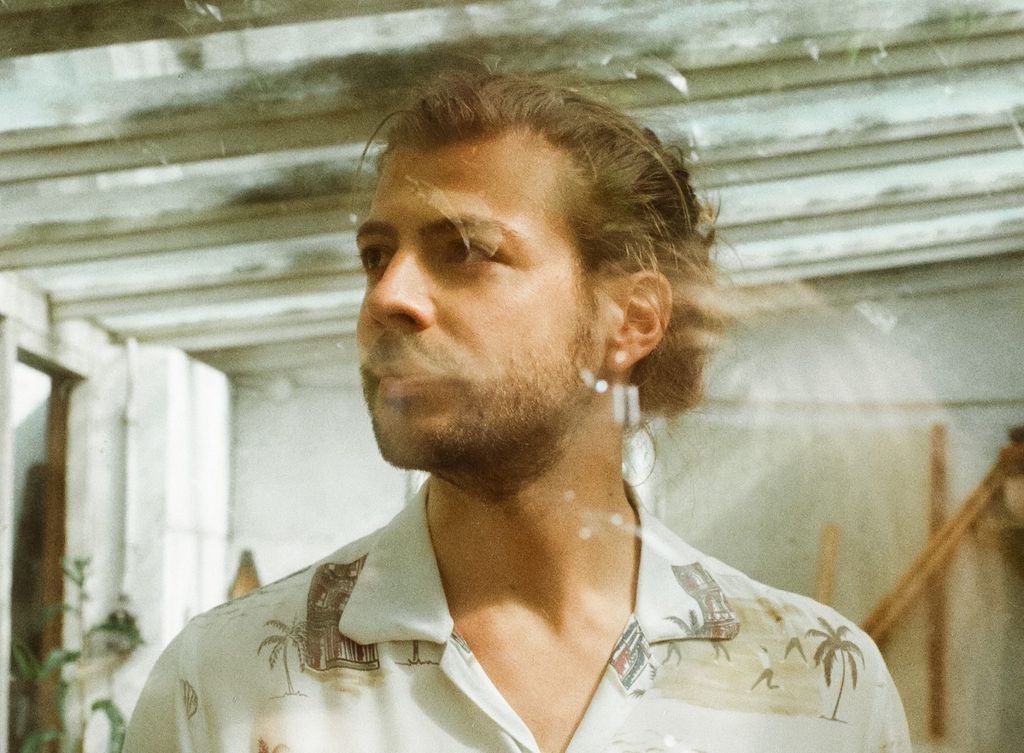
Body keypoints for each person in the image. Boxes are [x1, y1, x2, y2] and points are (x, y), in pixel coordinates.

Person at [125, 72, 911, 753]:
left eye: (467, 249)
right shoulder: (227, 683)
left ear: (631, 320)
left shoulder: (824, 688)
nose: (387, 296)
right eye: (376, 255)